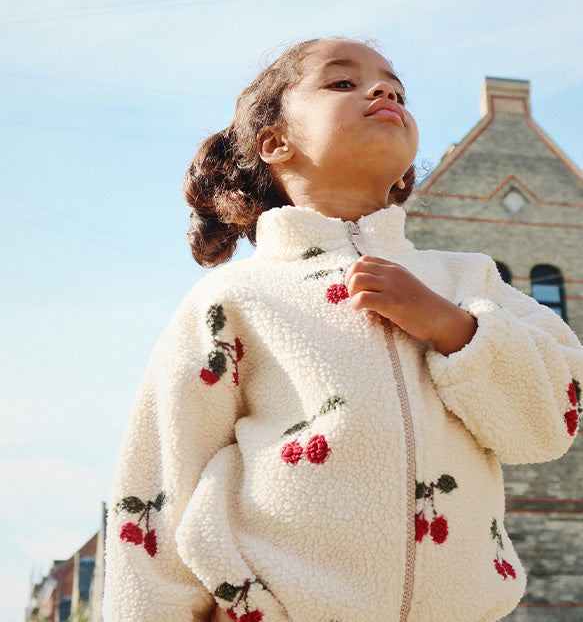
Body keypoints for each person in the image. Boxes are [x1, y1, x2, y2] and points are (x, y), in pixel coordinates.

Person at [103, 38, 583, 622]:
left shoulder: (469, 278)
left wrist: (453, 327)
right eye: (341, 83)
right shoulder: (232, 298)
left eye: (396, 89)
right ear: (275, 143)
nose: (382, 91)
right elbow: (158, 484)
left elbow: (549, 423)